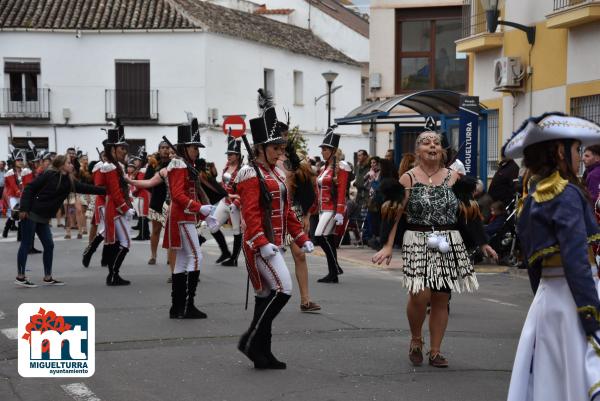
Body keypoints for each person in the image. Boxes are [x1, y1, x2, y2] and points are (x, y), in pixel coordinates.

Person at [372, 130, 497, 368]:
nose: (432, 146)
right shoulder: (408, 178)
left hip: (447, 239)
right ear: (417, 151)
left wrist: (484, 243)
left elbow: (470, 214)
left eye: (436, 143)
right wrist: (387, 245)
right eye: (426, 143)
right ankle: (416, 339)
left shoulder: (455, 178)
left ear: (442, 151)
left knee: (441, 296)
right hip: (416, 239)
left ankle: (436, 351)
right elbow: (394, 214)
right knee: (420, 294)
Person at [503, 112, 600, 401]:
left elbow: (535, 268)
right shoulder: (567, 193)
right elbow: (575, 260)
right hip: (574, 302)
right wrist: (591, 315)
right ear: (559, 151)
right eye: (575, 150)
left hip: (546, 304)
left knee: (550, 383)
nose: (578, 156)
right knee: (575, 384)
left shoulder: (531, 198)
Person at [236, 89, 313, 370]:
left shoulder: (275, 174)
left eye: (282, 147)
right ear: (260, 148)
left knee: (266, 296)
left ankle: (262, 353)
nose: (281, 152)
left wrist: (302, 237)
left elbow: (287, 210)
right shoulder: (249, 174)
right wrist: (261, 241)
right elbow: (250, 213)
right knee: (284, 289)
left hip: (275, 242)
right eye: (275, 148)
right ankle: (250, 339)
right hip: (260, 245)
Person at [16, 155, 105, 287]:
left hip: (44, 217)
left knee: (49, 245)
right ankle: (20, 276)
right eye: (69, 163)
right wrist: (23, 208)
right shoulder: (49, 175)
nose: (72, 165)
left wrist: (107, 191)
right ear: (61, 165)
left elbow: (86, 188)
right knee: (26, 244)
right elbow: (30, 188)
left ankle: (48, 277)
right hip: (31, 213)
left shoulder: (68, 181)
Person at [163, 119, 213, 319]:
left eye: (198, 147)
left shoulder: (186, 164)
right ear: (185, 147)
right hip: (182, 217)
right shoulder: (178, 164)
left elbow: (190, 194)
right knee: (196, 257)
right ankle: (187, 305)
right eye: (194, 147)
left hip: (187, 216)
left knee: (183, 260)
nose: (197, 151)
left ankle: (177, 307)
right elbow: (178, 195)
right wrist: (199, 207)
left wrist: (203, 213)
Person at [281, 127, 321, 312]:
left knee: (300, 255)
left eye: (284, 135)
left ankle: (305, 300)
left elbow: (309, 188)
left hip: (294, 211)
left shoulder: (297, 160)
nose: (282, 139)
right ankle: (267, 297)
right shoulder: (262, 161)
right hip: (272, 212)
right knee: (271, 255)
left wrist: (306, 214)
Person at [315, 126, 351, 283]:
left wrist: (340, 211)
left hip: (332, 209)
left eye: (325, 149)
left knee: (320, 236)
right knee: (327, 238)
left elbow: (342, 190)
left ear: (332, 150)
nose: (322, 151)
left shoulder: (341, 167)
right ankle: (333, 273)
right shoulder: (323, 168)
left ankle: (335, 267)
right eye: (322, 149)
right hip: (323, 209)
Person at [102, 124, 135, 286]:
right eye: (122, 148)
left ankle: (113, 275)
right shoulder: (110, 167)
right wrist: (125, 209)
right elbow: (115, 192)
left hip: (118, 209)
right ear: (113, 149)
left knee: (118, 244)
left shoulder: (117, 166)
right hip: (116, 210)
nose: (124, 151)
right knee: (125, 243)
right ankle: (113, 275)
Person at [206, 134, 243, 266]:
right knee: (213, 226)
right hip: (224, 201)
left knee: (236, 231)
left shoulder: (242, 170)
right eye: (228, 153)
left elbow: (243, 191)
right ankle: (225, 252)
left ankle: (234, 259)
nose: (229, 156)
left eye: (232, 154)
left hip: (236, 205)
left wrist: (236, 204)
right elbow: (222, 186)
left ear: (238, 155)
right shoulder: (226, 167)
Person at [146, 142, 171, 265]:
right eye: (162, 148)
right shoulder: (153, 163)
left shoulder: (173, 163)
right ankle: (153, 255)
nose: (165, 150)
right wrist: (155, 189)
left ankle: (169, 256)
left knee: (170, 231)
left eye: (167, 148)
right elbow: (147, 181)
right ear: (159, 150)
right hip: (156, 200)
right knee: (155, 230)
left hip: (170, 201)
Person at [130, 148, 151, 241]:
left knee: (142, 215)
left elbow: (140, 183)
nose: (136, 161)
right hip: (144, 194)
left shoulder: (142, 170)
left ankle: (142, 235)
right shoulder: (143, 169)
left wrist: (134, 192)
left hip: (141, 194)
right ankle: (146, 234)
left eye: (138, 160)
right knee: (143, 215)